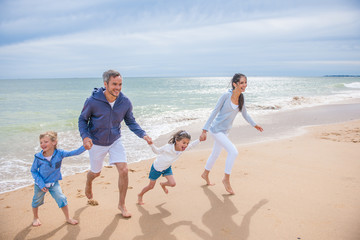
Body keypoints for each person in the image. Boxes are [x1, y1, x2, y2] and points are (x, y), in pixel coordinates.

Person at [78, 69, 152, 217]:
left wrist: (143, 134)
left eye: (120, 84)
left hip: (115, 140)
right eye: (114, 84)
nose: (118, 88)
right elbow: (82, 120)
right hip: (96, 142)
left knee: (124, 170)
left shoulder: (125, 102)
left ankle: (122, 205)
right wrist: (85, 137)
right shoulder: (92, 101)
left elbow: (130, 121)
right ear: (105, 84)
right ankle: (89, 181)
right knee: (96, 173)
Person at [200, 73, 263, 194]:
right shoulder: (225, 96)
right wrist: (204, 130)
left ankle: (205, 174)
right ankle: (226, 179)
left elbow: (245, 114)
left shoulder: (241, 98)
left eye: (245, 82)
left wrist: (255, 125)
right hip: (216, 130)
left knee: (215, 154)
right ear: (235, 84)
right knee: (233, 151)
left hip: (225, 132)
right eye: (242, 83)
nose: (244, 85)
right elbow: (214, 112)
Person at [31, 131, 86, 227]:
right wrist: (41, 184)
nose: (43, 144)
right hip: (40, 184)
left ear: (54, 142)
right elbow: (34, 171)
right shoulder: (38, 157)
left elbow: (74, 152)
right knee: (36, 201)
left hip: (53, 183)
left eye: (45, 141)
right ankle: (35, 218)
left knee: (61, 198)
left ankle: (68, 218)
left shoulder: (60, 153)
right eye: (41, 142)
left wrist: (85, 146)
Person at [137, 130, 202, 205]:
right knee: (151, 186)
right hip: (156, 168)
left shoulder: (182, 149)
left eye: (187, 143)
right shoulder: (168, 147)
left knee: (173, 184)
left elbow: (191, 146)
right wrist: (151, 144)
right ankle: (140, 195)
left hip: (167, 168)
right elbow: (157, 151)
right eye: (184, 143)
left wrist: (199, 140)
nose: (186, 145)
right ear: (177, 141)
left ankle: (163, 184)